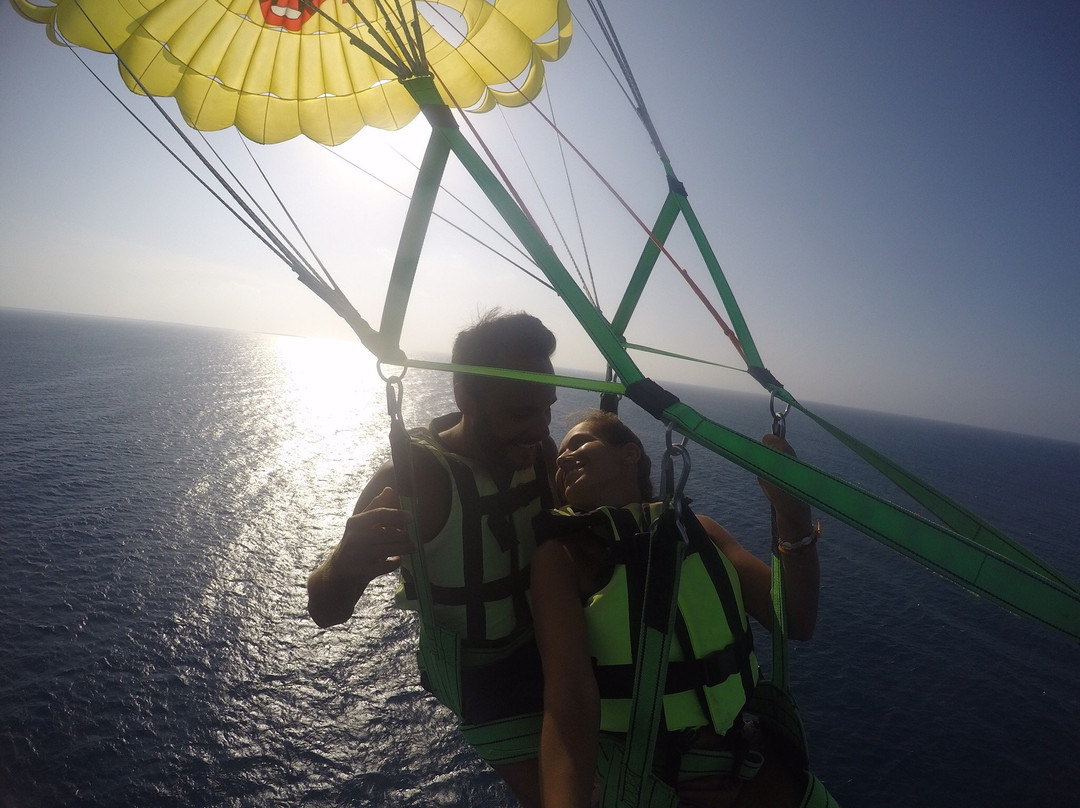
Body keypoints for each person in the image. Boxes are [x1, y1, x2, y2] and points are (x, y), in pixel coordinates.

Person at [306, 310, 559, 808]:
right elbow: (325, 610)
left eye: (547, 408)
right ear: (466, 399)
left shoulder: (540, 453)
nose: (539, 427)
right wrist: (344, 562)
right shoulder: (415, 478)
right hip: (480, 676)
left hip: (552, 648)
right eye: (519, 413)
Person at [531, 410, 821, 808]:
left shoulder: (701, 530)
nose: (563, 460)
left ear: (629, 453)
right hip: (647, 781)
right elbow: (568, 704)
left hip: (750, 762)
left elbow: (795, 619)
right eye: (560, 460)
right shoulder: (563, 558)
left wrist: (793, 517)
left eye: (579, 443)